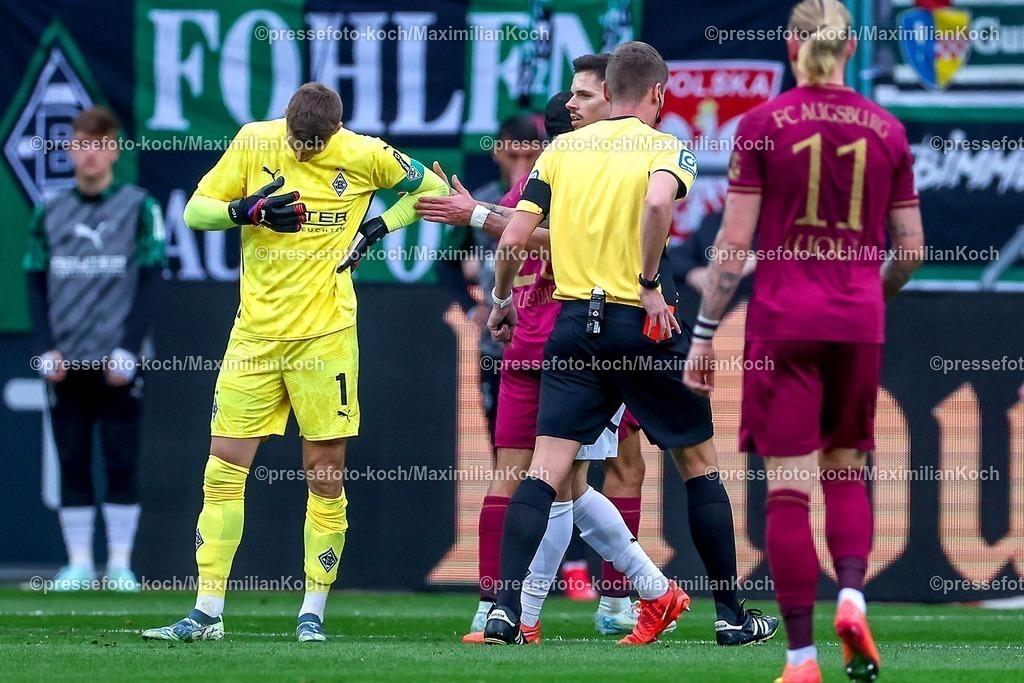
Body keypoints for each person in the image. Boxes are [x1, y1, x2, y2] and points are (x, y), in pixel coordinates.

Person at [480, 41, 777, 647]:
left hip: (572, 326)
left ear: (607, 93)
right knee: (697, 465)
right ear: (659, 94)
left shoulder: (562, 148)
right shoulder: (665, 147)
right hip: (639, 327)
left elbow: (514, 235)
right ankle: (730, 617)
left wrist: (503, 300)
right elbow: (659, 202)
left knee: (544, 471)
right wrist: (646, 284)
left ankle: (506, 614)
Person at [141, 83, 447, 643]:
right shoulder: (254, 142)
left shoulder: (365, 154)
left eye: (313, 144)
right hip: (254, 337)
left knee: (323, 477)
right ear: (284, 124)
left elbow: (434, 187)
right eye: (296, 141)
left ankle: (312, 611)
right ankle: (207, 611)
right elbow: (194, 212)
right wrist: (245, 209)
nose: (302, 152)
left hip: (324, 338)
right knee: (221, 473)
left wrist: (377, 228)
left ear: (334, 132)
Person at [682, 2, 924, 681]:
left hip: (782, 320)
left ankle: (801, 657)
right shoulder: (889, 130)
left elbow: (731, 247)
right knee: (846, 466)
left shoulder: (761, 127)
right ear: (851, 49)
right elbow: (910, 249)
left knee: (786, 488)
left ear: (791, 46)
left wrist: (704, 333)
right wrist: (870, 293)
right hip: (856, 319)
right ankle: (851, 594)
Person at [24, 106, 165, 592]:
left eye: (98, 142)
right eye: (81, 141)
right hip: (66, 358)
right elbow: (35, 279)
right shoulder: (49, 209)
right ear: (69, 148)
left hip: (117, 360)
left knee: (122, 459)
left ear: (114, 150)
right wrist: (43, 346)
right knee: (72, 458)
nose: (89, 151)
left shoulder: (139, 206)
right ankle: (79, 562)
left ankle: (121, 564)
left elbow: (151, 279)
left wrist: (129, 348)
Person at [438, 116, 545, 448]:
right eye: (514, 156)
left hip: (544, 341)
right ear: (497, 153)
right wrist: (473, 308)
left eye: (529, 157)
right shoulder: (478, 202)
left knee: (553, 453)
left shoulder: (555, 203)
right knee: (504, 447)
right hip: (498, 344)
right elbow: (447, 264)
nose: (522, 165)